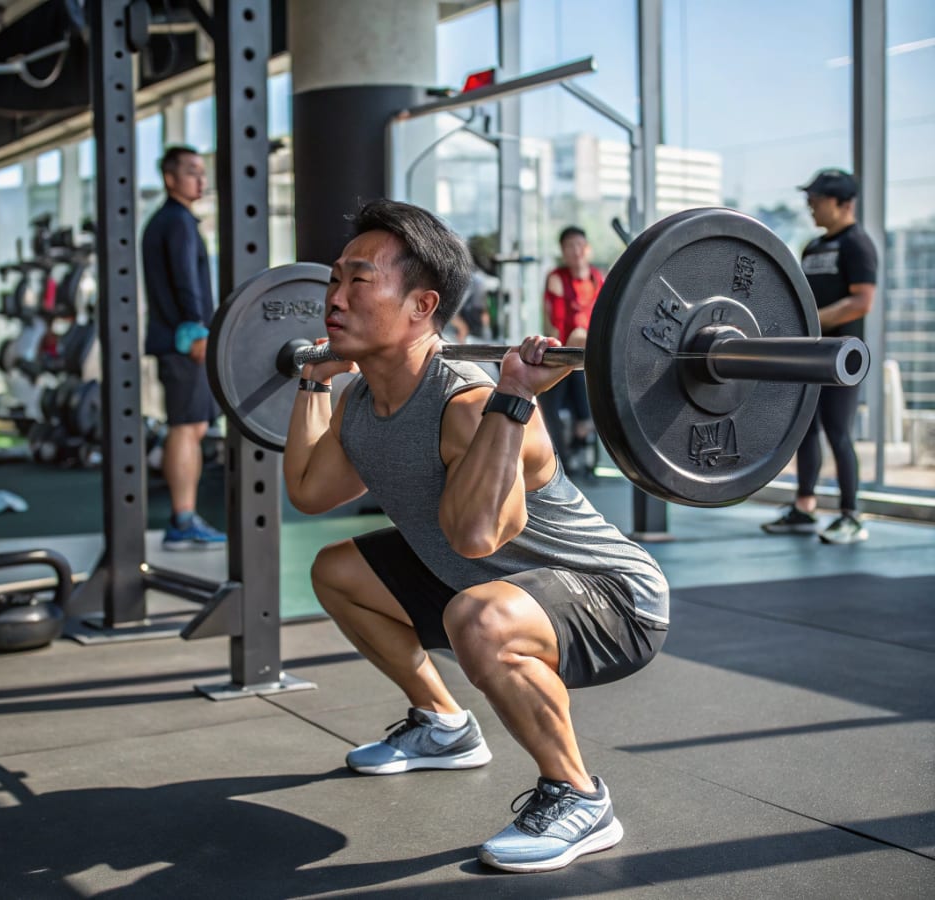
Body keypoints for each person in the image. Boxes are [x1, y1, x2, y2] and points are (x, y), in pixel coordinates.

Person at [284, 199, 670, 874]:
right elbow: (309, 491)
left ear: (422, 306)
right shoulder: (360, 402)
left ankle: (579, 797)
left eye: (358, 281)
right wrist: (313, 382)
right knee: (337, 571)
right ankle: (443, 726)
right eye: (334, 280)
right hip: (490, 583)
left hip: (616, 598)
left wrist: (514, 397)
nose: (335, 298)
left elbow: (475, 535)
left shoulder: (467, 403)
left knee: (480, 619)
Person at [762, 169, 877, 544]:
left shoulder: (857, 244)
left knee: (838, 431)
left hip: (843, 357)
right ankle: (804, 507)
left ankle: (850, 516)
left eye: (816, 199)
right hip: (811, 352)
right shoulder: (812, 247)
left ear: (842, 203)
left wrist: (811, 321)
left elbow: (861, 302)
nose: (810, 206)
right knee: (806, 429)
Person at [141, 145, 225, 550]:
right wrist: (196, 331)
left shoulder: (170, 220)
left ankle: (185, 517)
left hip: (177, 339)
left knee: (191, 427)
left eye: (202, 172)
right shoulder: (176, 222)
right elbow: (185, 280)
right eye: (192, 171)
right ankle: (183, 520)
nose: (200, 179)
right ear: (170, 178)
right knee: (186, 427)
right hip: (184, 341)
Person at [541, 226, 603, 478]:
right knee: (563, 383)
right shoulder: (556, 278)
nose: (575, 251)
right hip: (564, 352)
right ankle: (578, 435)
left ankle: (577, 441)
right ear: (563, 251)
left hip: (589, 356)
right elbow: (555, 324)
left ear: (587, 249)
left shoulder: (597, 279)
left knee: (581, 372)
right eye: (569, 246)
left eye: (579, 245)